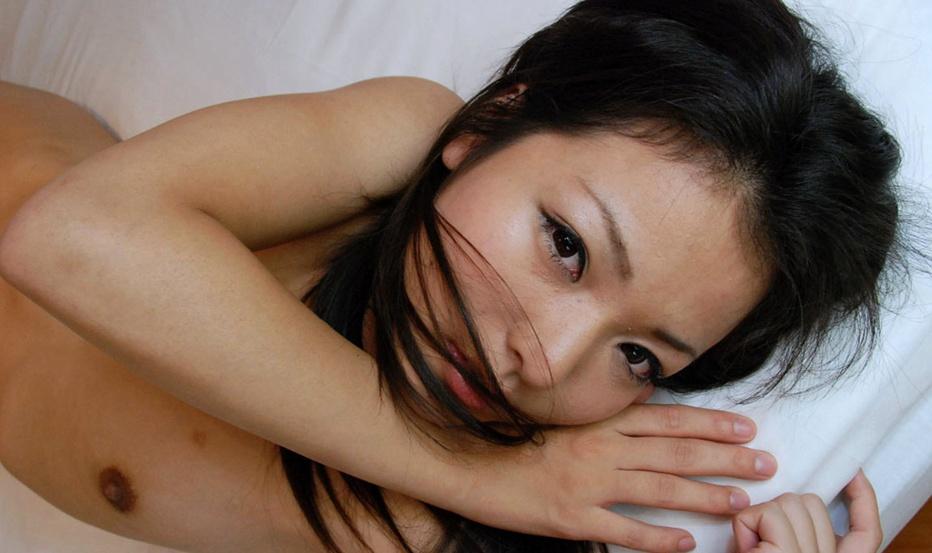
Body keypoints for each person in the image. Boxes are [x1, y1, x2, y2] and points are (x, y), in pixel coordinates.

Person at [0, 0, 903, 552]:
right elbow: (70, 237)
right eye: (567, 244)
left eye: (639, 356)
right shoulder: (399, 143)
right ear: (490, 124)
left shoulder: (421, 525)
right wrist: (475, 476)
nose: (545, 363)